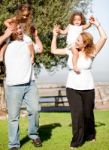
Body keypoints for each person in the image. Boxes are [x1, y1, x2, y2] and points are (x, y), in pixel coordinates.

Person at [51, 17, 107, 149]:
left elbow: (104, 38)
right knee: (77, 115)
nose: (75, 41)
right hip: (72, 87)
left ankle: (90, 134)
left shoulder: (92, 52)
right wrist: (54, 36)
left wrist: (97, 24)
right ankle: (76, 142)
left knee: (87, 114)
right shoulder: (70, 50)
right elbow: (54, 51)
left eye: (78, 41)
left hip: (88, 87)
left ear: (85, 44)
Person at [0, 22, 43, 150]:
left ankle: (34, 135)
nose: (19, 31)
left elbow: (40, 49)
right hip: (13, 86)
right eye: (16, 29)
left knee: (35, 110)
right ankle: (14, 144)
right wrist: (6, 34)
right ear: (10, 31)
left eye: (20, 28)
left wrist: (36, 36)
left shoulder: (27, 40)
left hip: (30, 83)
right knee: (13, 117)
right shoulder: (6, 43)